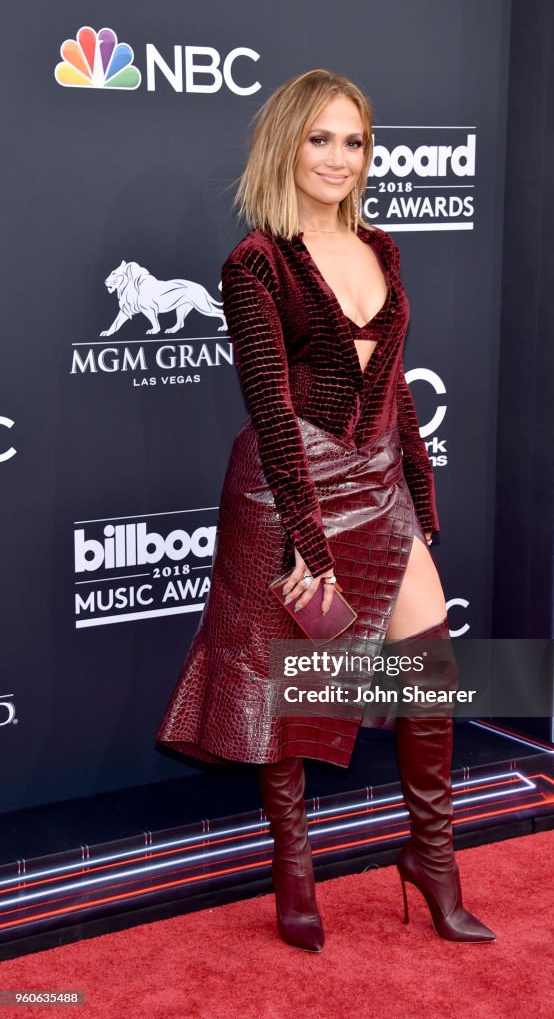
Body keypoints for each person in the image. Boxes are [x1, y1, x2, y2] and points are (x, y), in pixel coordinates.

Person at [156, 68, 495, 951]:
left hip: (375, 480)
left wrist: (418, 498)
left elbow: (395, 395)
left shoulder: (382, 249)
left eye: (352, 140)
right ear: (286, 146)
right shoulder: (254, 263)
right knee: (282, 688)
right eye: (319, 139)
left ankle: (431, 859)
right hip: (284, 492)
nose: (338, 157)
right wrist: (307, 540)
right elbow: (270, 409)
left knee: (428, 670)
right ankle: (293, 864)